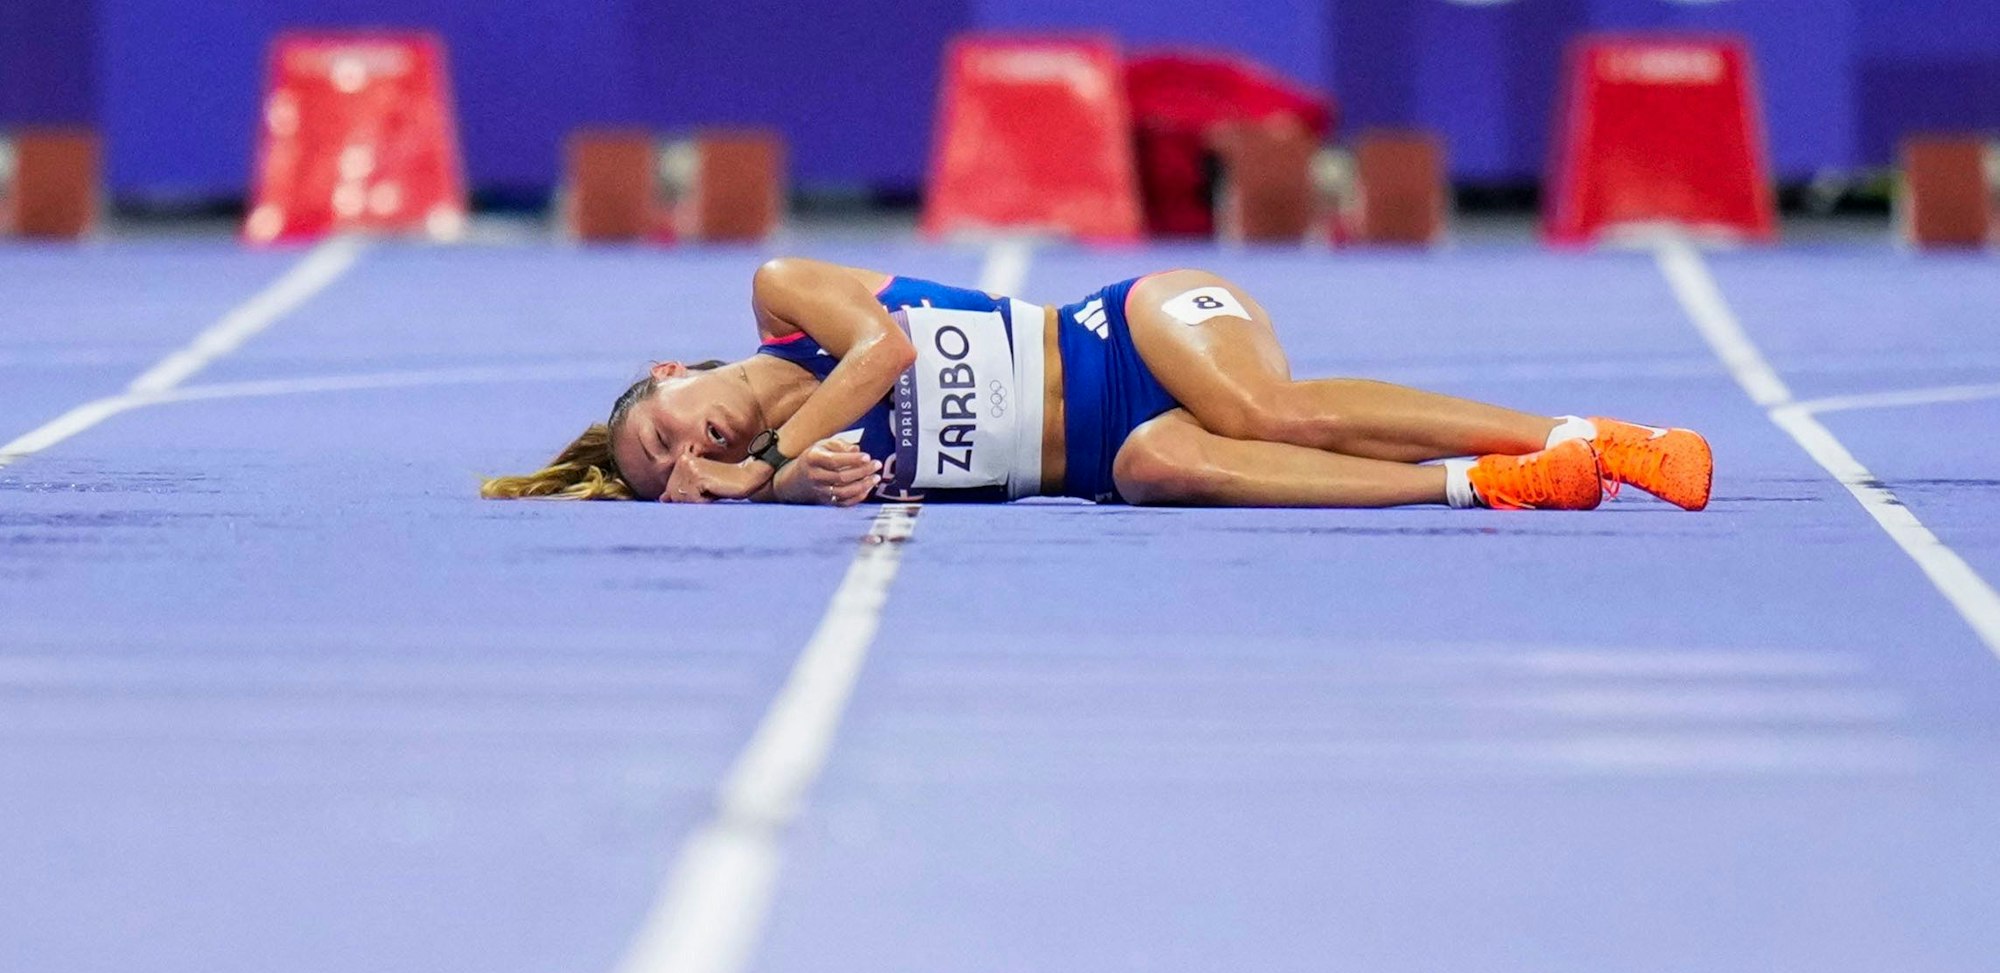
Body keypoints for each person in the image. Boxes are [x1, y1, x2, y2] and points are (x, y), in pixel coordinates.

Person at [480, 258, 1712, 511]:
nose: (687, 450)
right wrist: (784, 493)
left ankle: (1602, 434)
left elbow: (887, 353)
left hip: (1131, 327)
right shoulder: (792, 473)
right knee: (1160, 466)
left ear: (669, 374)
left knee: (1260, 410)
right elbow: (819, 492)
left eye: (665, 432)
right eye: (671, 472)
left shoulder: (782, 296)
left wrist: (767, 460)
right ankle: (1488, 482)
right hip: (1106, 450)